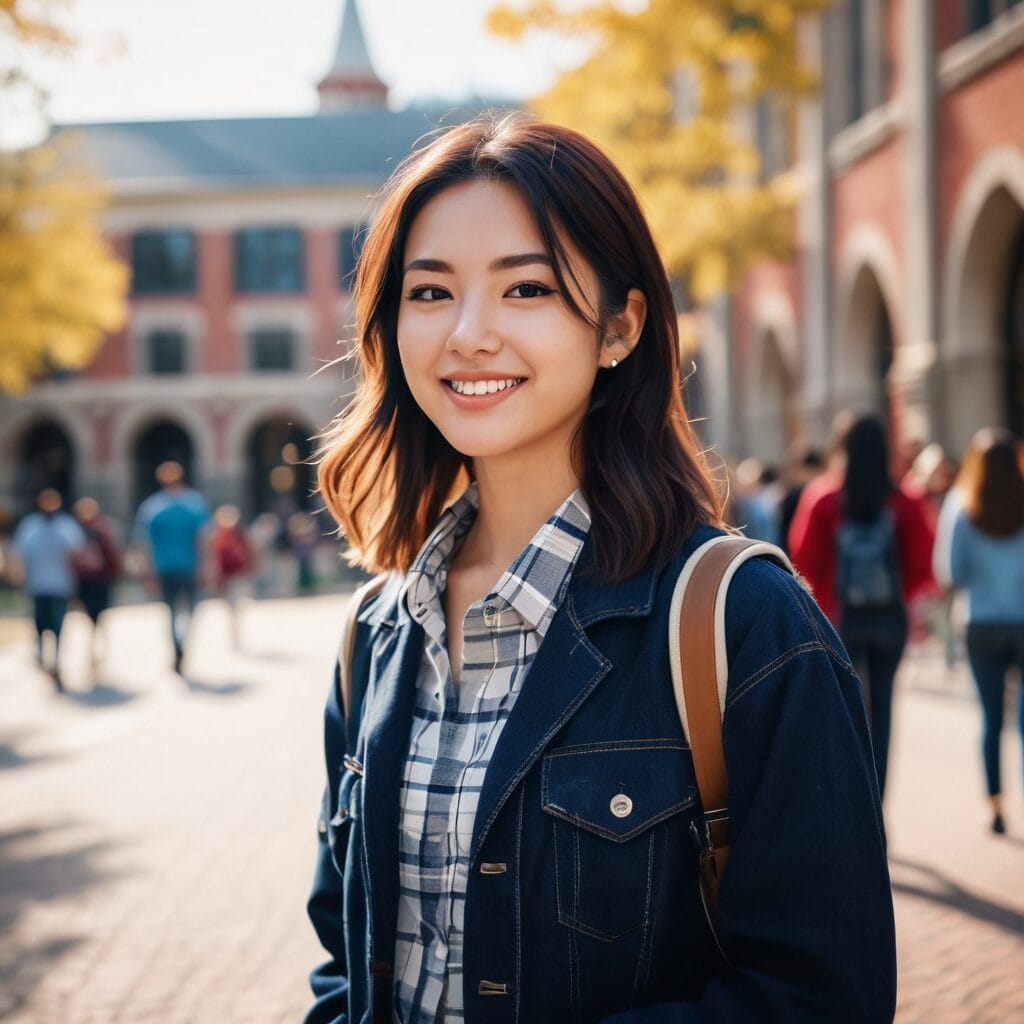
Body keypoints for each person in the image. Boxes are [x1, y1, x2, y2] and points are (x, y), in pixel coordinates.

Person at [306, 113, 896, 1024]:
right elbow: (346, 964)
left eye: (527, 289)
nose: (467, 334)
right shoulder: (376, 634)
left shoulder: (744, 626)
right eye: (429, 294)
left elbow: (822, 997)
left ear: (620, 327)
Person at [789, 413, 934, 798]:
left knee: (847, 715)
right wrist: (895, 591)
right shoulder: (905, 499)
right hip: (890, 620)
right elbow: (923, 563)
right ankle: (880, 804)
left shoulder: (823, 498)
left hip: (840, 622)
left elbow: (803, 560)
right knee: (883, 713)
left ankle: (855, 804)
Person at [933, 428, 1024, 835]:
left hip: (980, 623)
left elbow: (949, 571)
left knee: (990, 719)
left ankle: (996, 805)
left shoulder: (961, 504)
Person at [134, 461, 211, 674]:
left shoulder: (152, 507)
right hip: (188, 566)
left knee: (171, 611)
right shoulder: (194, 503)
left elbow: (143, 544)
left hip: (164, 568)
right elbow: (204, 539)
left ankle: (177, 642)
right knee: (191, 608)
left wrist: (147, 573)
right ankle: (181, 638)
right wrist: (206, 566)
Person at [11, 489, 85, 690]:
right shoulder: (30, 526)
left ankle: (57, 659)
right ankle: (42, 653)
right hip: (37, 584)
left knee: (58, 624)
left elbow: (77, 554)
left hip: (60, 585)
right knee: (40, 622)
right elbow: (18, 553)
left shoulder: (66, 526)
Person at [71, 496, 122, 678]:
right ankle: (91, 646)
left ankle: (96, 646)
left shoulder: (103, 530)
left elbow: (113, 555)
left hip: (100, 580)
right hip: (84, 581)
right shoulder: (74, 531)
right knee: (87, 615)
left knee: (98, 615)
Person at [210, 504, 252, 649]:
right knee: (230, 606)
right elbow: (214, 558)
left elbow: (249, 553)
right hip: (226, 577)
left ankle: (236, 632)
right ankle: (233, 632)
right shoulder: (216, 537)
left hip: (238, 576)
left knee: (238, 605)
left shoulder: (240, 535)